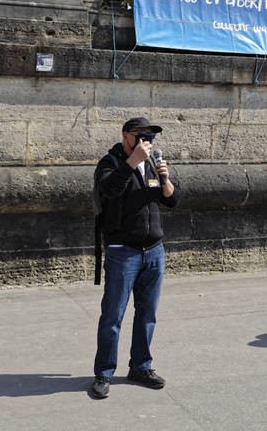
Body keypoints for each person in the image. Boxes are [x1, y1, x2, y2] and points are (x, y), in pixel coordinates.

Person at [91, 117, 179, 399]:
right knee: (113, 317)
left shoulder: (152, 164)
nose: (146, 142)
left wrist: (166, 180)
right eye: (141, 136)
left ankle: (141, 366)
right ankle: (104, 373)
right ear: (126, 136)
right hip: (123, 253)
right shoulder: (111, 163)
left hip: (154, 251)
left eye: (150, 137)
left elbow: (171, 200)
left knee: (147, 314)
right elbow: (110, 190)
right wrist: (132, 163)